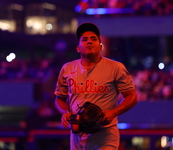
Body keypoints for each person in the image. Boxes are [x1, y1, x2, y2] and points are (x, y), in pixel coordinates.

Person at [54, 22, 138, 150]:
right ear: (78, 48)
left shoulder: (115, 68)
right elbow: (59, 98)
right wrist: (64, 112)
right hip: (77, 134)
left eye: (93, 39)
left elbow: (132, 96)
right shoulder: (67, 68)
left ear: (100, 46)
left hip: (105, 133)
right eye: (85, 39)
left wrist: (113, 112)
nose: (89, 42)